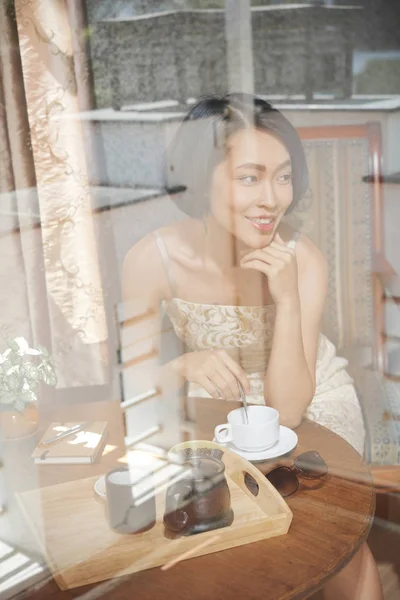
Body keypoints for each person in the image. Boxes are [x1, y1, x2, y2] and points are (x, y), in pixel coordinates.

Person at [123, 93, 383, 599]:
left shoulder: (302, 259)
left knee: (330, 528)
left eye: (283, 176)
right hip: (217, 402)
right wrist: (182, 365)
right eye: (249, 177)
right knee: (201, 518)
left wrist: (286, 298)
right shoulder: (151, 259)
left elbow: (288, 408)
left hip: (309, 395)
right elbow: (133, 384)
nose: (272, 198)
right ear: (201, 179)